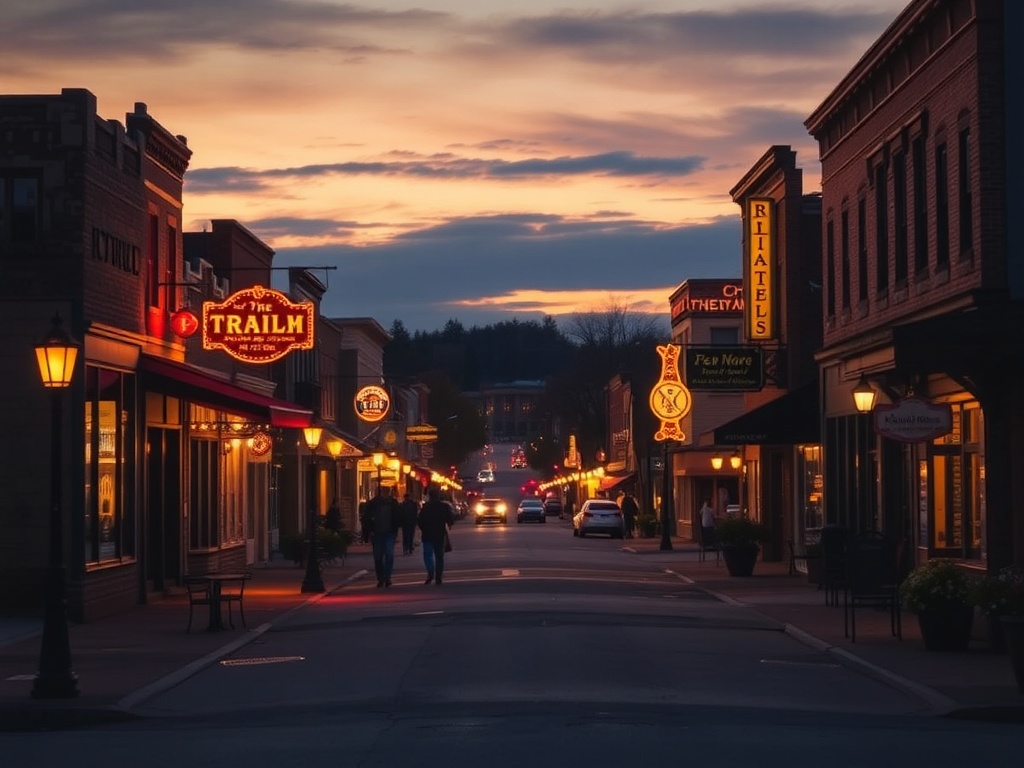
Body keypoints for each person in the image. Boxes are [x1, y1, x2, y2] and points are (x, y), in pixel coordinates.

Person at [417, 487, 454, 585]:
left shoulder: (426, 507)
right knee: (439, 556)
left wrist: (424, 528)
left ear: (430, 496)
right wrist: (448, 524)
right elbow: (450, 519)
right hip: (439, 534)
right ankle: (438, 577)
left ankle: (430, 572)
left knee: (428, 555)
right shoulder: (444, 507)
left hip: (427, 535)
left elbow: (420, 521)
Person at [366, 486, 399, 587]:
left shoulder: (393, 503)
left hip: (389, 532)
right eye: (384, 491)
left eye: (387, 491)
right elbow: (367, 518)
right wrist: (369, 530)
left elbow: (398, 516)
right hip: (377, 533)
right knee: (378, 557)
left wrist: (396, 529)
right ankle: (381, 578)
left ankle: (387, 577)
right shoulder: (374, 503)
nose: (386, 493)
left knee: (389, 555)